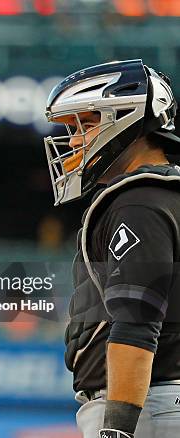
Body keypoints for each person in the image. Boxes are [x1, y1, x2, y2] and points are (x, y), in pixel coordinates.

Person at [44, 59, 180, 438]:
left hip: (148, 406)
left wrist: (117, 429)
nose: (73, 141)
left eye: (86, 124)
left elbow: (137, 320)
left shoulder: (139, 201)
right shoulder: (164, 196)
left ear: (126, 118)